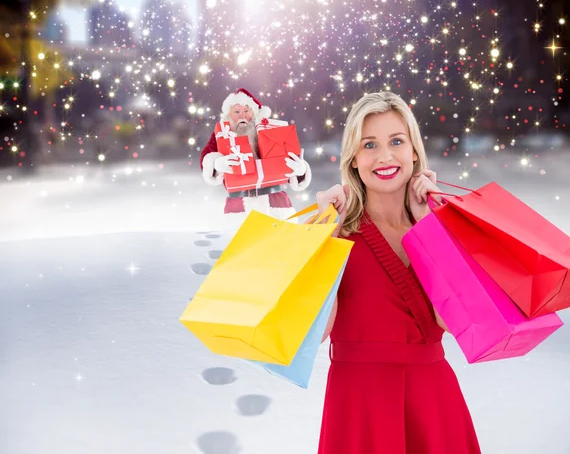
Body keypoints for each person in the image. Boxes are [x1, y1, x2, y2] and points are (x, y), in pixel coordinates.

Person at [314, 92, 481, 453]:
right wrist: (324, 239)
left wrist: (430, 229)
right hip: (358, 403)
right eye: (369, 144)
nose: (385, 156)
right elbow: (318, 332)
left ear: (414, 152)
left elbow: (454, 323)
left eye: (396, 141)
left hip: (433, 399)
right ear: (354, 160)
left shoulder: (439, 227)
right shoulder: (338, 232)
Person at [200, 88, 312, 222]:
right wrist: (215, 163)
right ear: (229, 115)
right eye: (237, 112)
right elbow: (206, 158)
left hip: (276, 206)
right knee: (241, 241)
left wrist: (301, 171)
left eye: (246, 111)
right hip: (239, 207)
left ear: (254, 113)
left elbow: (287, 160)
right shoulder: (220, 137)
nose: (242, 116)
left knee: (282, 241)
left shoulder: (269, 132)